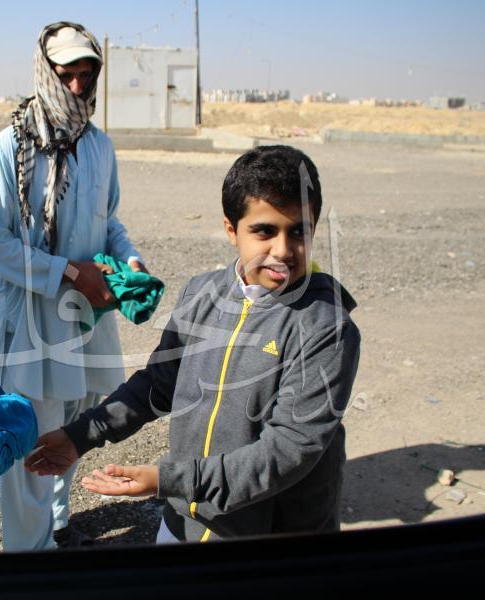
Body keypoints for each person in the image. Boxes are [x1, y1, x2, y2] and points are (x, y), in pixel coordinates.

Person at [26, 145, 361, 543]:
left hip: (269, 536)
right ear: (231, 229)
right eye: (265, 231)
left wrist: (168, 480)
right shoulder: (201, 294)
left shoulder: (326, 328)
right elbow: (157, 385)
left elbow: (289, 450)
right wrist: (81, 434)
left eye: (299, 231)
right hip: (182, 519)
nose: (283, 250)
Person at [0, 21, 146, 550]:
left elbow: (107, 220)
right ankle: (28, 555)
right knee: (33, 440)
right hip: (33, 324)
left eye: (87, 74)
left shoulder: (99, 147)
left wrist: (129, 259)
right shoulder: (8, 148)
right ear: (45, 72)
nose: (77, 86)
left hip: (87, 319)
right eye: (66, 74)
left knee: (72, 428)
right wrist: (69, 272)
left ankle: (57, 527)